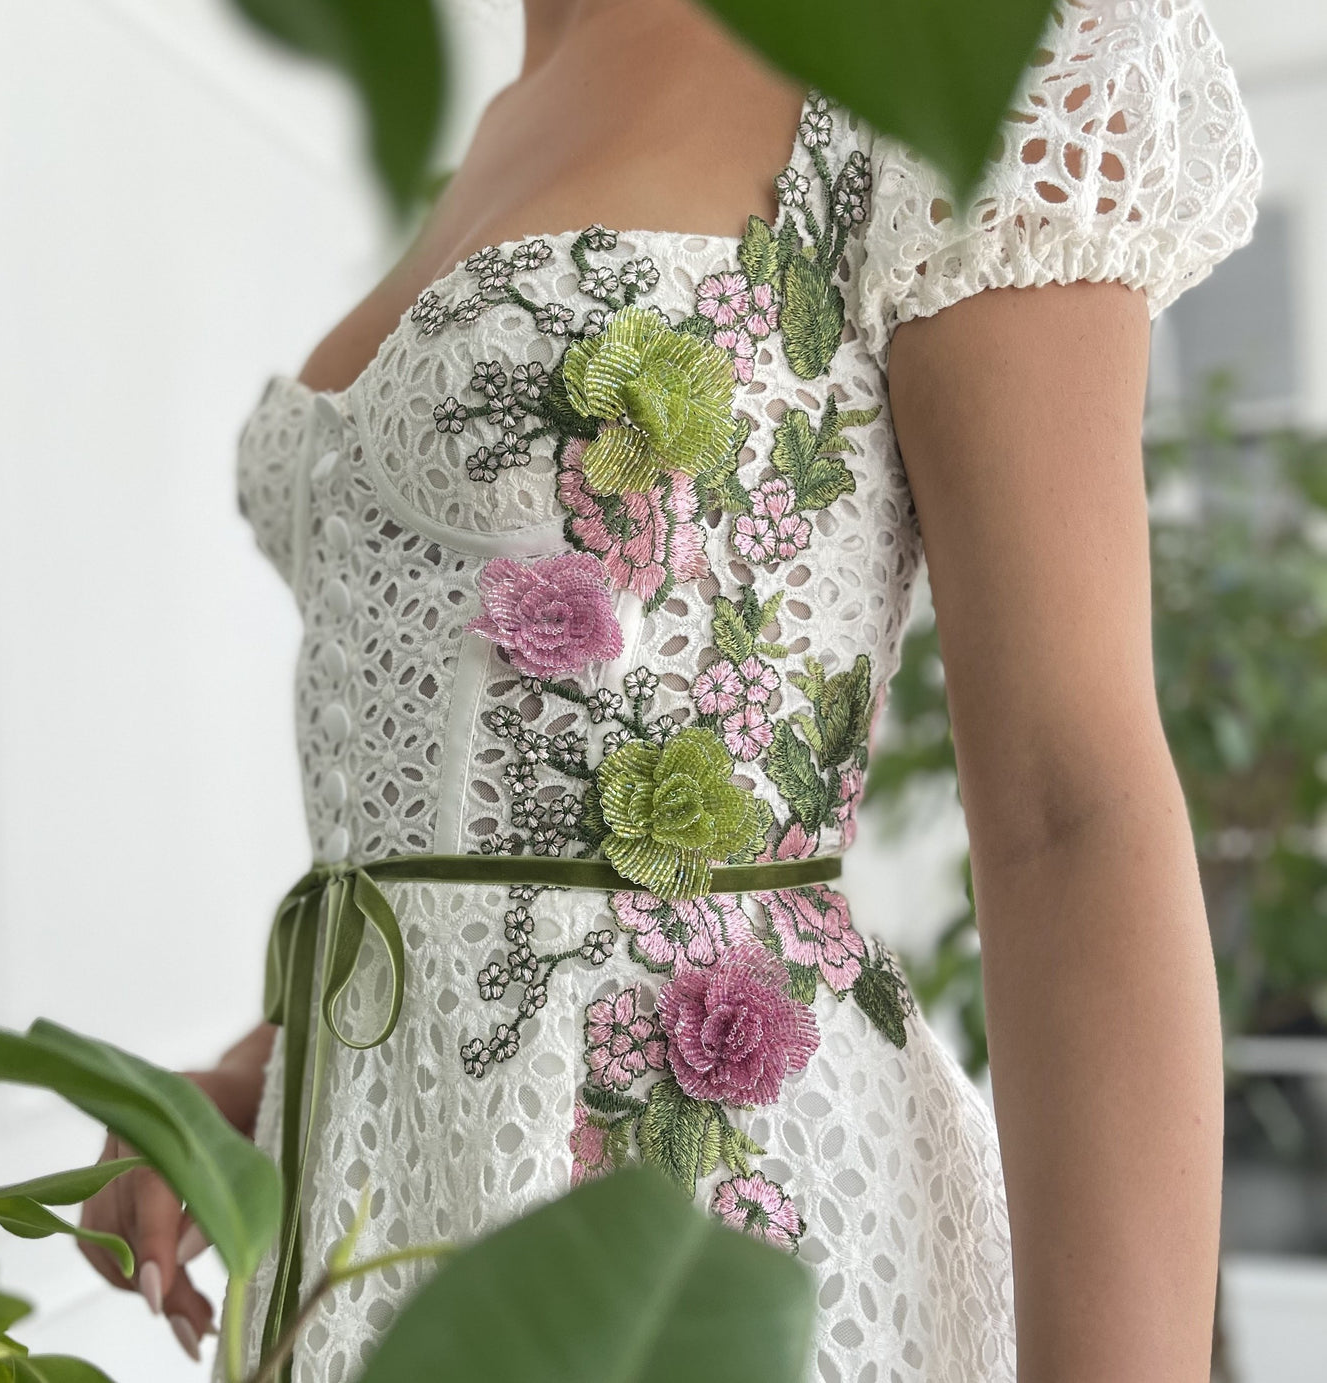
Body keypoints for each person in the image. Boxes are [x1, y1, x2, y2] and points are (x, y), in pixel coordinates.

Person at [79, 0, 1263, 1378]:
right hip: (370, 1222)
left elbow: (1074, 804)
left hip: (707, 1234)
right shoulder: (514, 94)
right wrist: (271, 1070)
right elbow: (474, 826)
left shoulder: (962, 39)